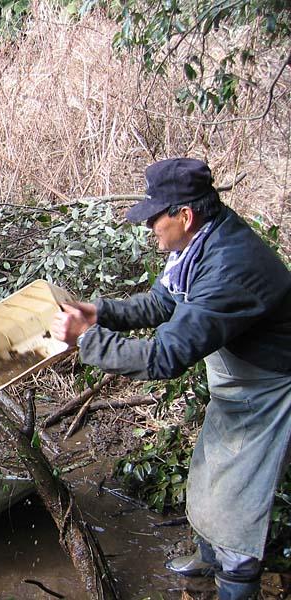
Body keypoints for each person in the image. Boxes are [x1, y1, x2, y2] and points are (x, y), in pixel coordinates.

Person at [50, 158, 291, 600]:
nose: (149, 227)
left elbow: (165, 357)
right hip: (238, 380)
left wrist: (88, 341)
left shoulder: (229, 266)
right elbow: (164, 302)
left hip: (271, 386)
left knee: (239, 497)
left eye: (155, 217)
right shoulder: (198, 242)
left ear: (184, 215)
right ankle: (209, 557)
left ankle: (235, 583)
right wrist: (99, 312)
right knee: (209, 470)